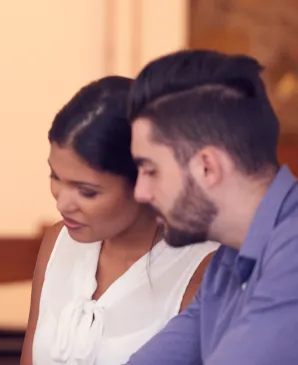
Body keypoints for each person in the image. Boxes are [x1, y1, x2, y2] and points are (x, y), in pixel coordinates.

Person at [0, 76, 218, 365]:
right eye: (55, 177)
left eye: (87, 191)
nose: (63, 202)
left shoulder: (201, 269)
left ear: (144, 180)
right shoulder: (59, 243)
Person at [124, 49, 298, 364]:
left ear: (207, 167)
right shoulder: (230, 256)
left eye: (150, 170)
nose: (140, 192)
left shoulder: (293, 253)